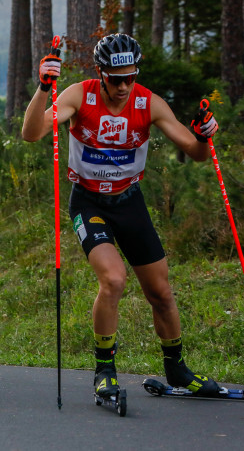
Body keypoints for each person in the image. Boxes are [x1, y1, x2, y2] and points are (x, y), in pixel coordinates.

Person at [22, 33, 221, 398]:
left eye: (131, 76)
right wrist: (43, 89)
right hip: (89, 203)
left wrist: (203, 134)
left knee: (160, 292)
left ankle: (177, 369)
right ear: (101, 73)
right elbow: (32, 133)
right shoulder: (80, 95)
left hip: (129, 202)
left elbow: (195, 153)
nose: (125, 86)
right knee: (113, 279)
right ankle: (104, 370)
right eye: (117, 79)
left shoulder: (149, 102)